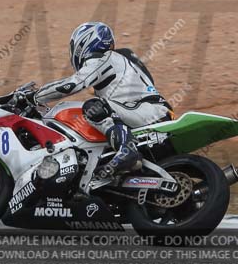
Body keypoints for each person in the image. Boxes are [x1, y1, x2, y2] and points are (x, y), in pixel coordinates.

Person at [34, 22, 173, 179]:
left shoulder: (103, 58)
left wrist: (35, 96)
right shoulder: (123, 59)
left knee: (93, 107)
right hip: (152, 112)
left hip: (148, 112)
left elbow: (73, 84)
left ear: (83, 44)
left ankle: (127, 150)